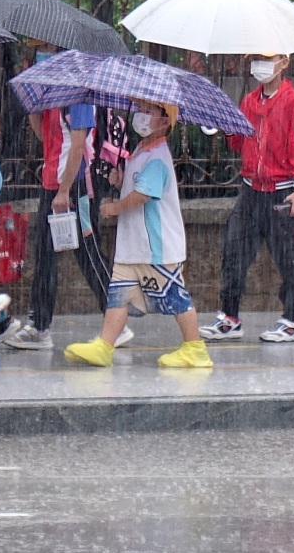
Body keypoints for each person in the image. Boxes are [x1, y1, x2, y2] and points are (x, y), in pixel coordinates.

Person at [63, 99, 213, 368]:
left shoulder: (158, 156)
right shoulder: (141, 151)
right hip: (133, 246)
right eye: (140, 110)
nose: (140, 116)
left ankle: (195, 347)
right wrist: (121, 181)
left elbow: (144, 194)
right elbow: (136, 185)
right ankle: (104, 345)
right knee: (117, 295)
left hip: (156, 248)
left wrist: (115, 208)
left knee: (175, 296)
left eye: (148, 111)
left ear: (165, 121)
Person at [1, 53, 114, 353]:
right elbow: (45, 138)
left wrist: (64, 191)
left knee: (87, 255)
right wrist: (33, 111)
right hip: (53, 184)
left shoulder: (79, 98)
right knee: (46, 257)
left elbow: (78, 146)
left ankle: (115, 317)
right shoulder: (54, 101)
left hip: (72, 187)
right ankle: (40, 325)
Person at [205, 52, 294, 344]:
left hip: (282, 190)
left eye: (267, 57)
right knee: (234, 253)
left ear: (284, 61)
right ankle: (230, 317)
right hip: (251, 190)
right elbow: (238, 141)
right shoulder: (249, 101)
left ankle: (292, 320)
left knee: (289, 259)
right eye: (256, 58)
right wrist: (223, 124)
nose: (260, 64)